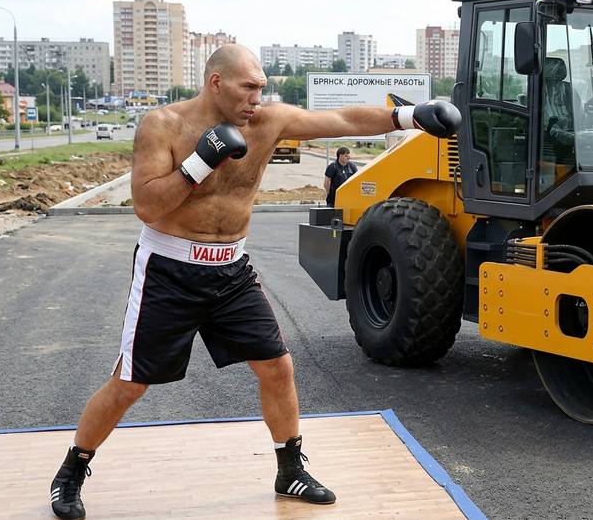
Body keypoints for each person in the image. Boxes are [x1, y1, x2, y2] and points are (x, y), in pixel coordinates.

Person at [48, 44, 461, 520]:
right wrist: (200, 163)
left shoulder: (268, 122)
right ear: (216, 82)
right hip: (170, 270)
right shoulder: (164, 126)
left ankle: (289, 470)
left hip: (231, 271)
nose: (256, 98)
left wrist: (409, 116)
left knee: (277, 366)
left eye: (262, 88)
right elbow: (147, 206)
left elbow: (345, 120)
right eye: (248, 88)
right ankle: (71, 473)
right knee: (130, 383)